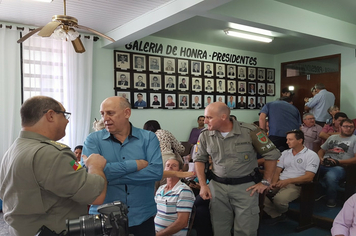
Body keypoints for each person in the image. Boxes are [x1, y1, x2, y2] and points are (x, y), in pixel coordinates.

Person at [0, 96, 107, 236]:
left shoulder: (14, 149)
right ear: (50, 115)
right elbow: (96, 197)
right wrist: (95, 167)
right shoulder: (51, 154)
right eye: (64, 114)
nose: (67, 120)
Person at [193, 102, 280, 236]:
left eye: (209, 117)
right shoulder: (205, 135)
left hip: (245, 188)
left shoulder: (250, 131)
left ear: (223, 117)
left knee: (246, 229)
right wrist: (203, 185)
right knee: (219, 228)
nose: (205, 121)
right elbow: (199, 159)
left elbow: (272, 154)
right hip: (218, 188)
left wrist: (266, 181)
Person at [83, 96, 163, 236]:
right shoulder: (93, 140)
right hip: (104, 218)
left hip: (142, 217)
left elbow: (156, 172)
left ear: (127, 113)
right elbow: (89, 176)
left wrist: (106, 176)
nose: (105, 118)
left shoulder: (148, 138)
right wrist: (134, 165)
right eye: (102, 114)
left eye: (110, 113)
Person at [263, 130, 319, 225]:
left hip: (297, 184)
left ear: (300, 140)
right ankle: (277, 215)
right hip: (280, 181)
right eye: (287, 139)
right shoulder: (285, 153)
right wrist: (273, 182)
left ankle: (279, 213)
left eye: (290, 139)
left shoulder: (311, 155)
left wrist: (288, 181)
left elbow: (309, 177)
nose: (287, 142)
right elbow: (277, 170)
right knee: (258, 193)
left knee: (279, 200)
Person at [317, 119, 356, 207]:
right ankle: (318, 192)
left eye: (351, 127)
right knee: (309, 171)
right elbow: (321, 150)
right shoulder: (332, 138)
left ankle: (331, 199)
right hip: (324, 163)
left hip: (340, 166)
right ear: (340, 127)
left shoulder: (354, 139)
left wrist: (339, 162)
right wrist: (320, 158)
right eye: (346, 126)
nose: (348, 129)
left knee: (331, 177)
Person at [155, 158, 195, 236]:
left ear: (180, 172)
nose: (170, 167)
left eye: (174, 166)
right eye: (167, 165)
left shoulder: (184, 190)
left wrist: (159, 234)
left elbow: (182, 222)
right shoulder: (160, 189)